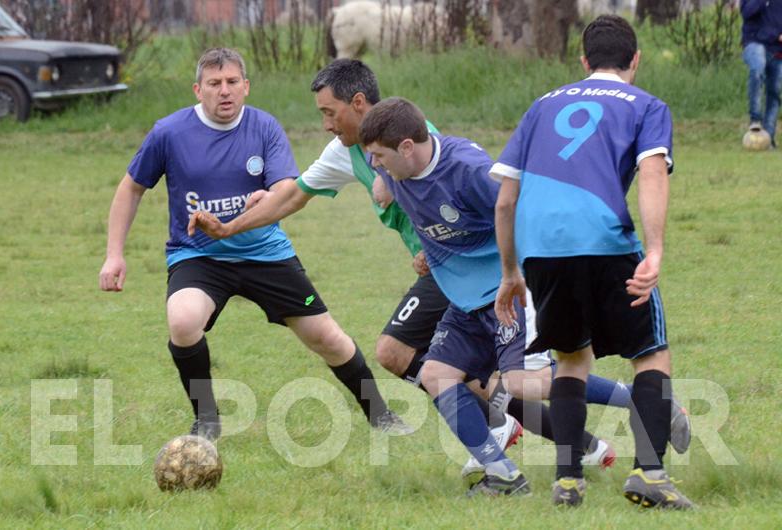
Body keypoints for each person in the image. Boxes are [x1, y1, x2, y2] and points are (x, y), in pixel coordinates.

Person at [187, 60, 685, 473]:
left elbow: (495, 200)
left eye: (330, 112)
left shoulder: (415, 142)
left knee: (482, 373)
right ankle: (517, 443)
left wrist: (517, 266)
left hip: (478, 269)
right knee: (420, 362)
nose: (326, 124)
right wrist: (229, 229)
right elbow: (290, 197)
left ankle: (598, 420)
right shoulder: (346, 153)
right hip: (444, 271)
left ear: (360, 107)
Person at [98, 48, 410, 441]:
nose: (223, 92)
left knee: (328, 339)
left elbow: (286, 187)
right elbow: (131, 188)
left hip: (266, 253)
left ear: (246, 87)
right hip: (198, 255)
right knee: (183, 320)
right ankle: (206, 421)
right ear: (198, 89)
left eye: (232, 82)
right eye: (214, 84)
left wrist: (268, 197)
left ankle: (380, 415)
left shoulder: (264, 127)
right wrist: (114, 254)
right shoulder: (168, 133)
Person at [492, 15, 694, 509]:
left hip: (540, 247)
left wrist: (511, 272)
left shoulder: (541, 106)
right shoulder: (647, 104)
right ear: (636, 61)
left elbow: (504, 201)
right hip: (603, 238)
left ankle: (567, 481)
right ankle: (649, 472)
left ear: (583, 62)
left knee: (570, 357)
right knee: (651, 353)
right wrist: (655, 250)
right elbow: (651, 172)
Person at [359, 96, 540, 496]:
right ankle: (504, 476)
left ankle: (643, 402)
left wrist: (524, 278)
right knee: (436, 375)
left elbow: (518, 215)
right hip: (463, 299)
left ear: (407, 147)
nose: (375, 166)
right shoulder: (396, 174)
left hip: (506, 292)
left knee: (526, 384)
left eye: (378, 156)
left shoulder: (469, 169)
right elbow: (426, 210)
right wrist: (430, 250)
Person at [740, 0, 782, 146]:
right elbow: (746, 12)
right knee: (757, 69)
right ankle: (755, 119)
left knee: (775, 92)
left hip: (777, 49)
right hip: (754, 43)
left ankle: (768, 137)